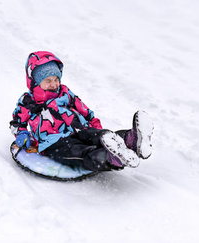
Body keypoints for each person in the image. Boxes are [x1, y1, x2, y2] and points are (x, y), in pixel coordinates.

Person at [9, 51, 154, 172]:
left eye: (56, 79)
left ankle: (132, 139)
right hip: (54, 142)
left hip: (79, 128)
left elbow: (82, 108)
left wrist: (94, 122)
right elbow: (17, 121)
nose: (54, 84)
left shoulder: (65, 92)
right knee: (80, 153)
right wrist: (21, 133)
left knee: (101, 137)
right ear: (35, 82)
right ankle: (110, 158)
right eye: (48, 80)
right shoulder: (28, 101)